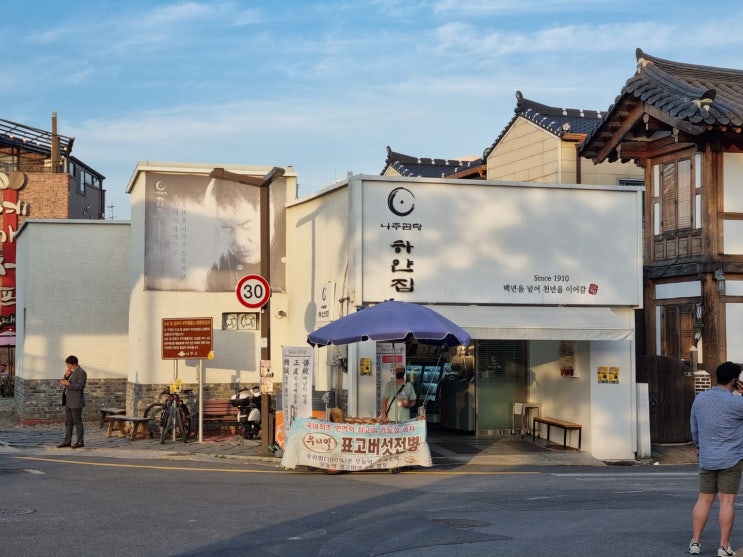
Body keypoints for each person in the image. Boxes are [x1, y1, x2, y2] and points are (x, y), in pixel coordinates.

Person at [689, 361, 743, 556]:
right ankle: (723, 546)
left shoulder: (700, 399)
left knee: (703, 500)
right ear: (734, 381)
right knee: (726, 502)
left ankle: (695, 542)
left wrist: (699, 446)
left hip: (707, 457)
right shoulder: (737, 403)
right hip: (731, 458)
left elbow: (694, 427)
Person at [203, 178, 261, 291]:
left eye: (246, 224)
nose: (240, 242)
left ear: (271, 210)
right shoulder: (215, 274)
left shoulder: (297, 255)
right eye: (227, 228)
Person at [57, 355, 87, 449]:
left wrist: (69, 384)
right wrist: (66, 376)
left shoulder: (81, 372)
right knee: (68, 422)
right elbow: (67, 382)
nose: (67, 367)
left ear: (74, 364)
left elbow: (80, 386)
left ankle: (79, 442)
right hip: (68, 400)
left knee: (77, 422)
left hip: (76, 401)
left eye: (69, 365)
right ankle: (67, 441)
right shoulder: (71, 372)